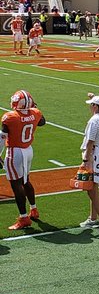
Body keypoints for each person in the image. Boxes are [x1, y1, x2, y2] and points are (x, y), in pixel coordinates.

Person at [1, 91, 46, 231]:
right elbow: (42, 122)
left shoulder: (10, 117)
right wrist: (32, 109)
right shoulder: (36, 113)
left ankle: (23, 217)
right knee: (26, 180)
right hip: (28, 150)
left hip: (15, 152)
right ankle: (34, 209)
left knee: (16, 185)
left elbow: (2, 138)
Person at [78, 96, 99, 236]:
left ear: (96, 106)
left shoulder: (94, 120)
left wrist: (86, 159)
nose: (89, 107)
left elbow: (90, 141)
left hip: (93, 155)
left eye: (91, 105)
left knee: (91, 190)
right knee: (94, 188)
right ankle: (93, 218)